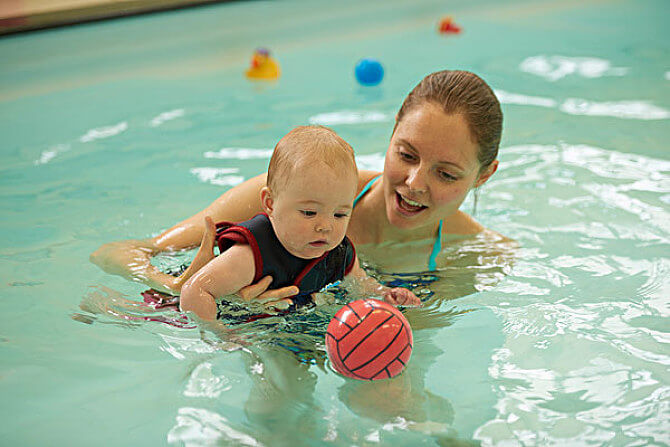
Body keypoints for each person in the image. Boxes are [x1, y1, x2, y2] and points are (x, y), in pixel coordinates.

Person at [90, 70, 504, 306]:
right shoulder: (287, 198)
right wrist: (179, 287)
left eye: (446, 174)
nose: (414, 184)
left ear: (483, 176)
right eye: (407, 154)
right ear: (392, 130)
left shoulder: (471, 258)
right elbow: (115, 253)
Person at [179, 125, 420, 320]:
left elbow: (359, 282)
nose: (325, 226)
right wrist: (220, 336)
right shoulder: (250, 256)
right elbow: (194, 291)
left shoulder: (338, 252)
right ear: (270, 203)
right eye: (308, 213)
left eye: (339, 215)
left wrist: (385, 294)